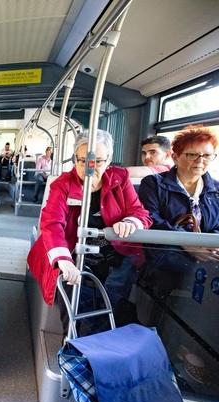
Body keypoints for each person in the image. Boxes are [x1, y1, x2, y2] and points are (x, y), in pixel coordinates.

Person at [27, 129, 151, 332]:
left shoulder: (120, 179)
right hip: (73, 250)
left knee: (117, 293)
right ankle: (75, 341)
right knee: (72, 285)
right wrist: (64, 260)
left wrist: (130, 221)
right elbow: (52, 223)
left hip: (114, 253)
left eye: (98, 161)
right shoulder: (63, 184)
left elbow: (140, 213)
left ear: (109, 159)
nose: (88, 168)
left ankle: (109, 338)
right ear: (75, 158)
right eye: (82, 161)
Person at [138, 125, 219, 265]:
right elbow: (151, 219)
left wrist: (209, 244)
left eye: (206, 156)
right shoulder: (153, 183)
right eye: (192, 155)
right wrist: (183, 241)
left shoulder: (216, 189)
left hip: (209, 251)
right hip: (166, 252)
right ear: (175, 158)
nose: (200, 161)